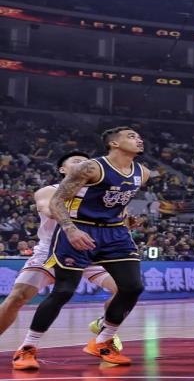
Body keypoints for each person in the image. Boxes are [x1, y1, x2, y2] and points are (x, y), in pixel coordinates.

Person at [12, 127, 150, 369]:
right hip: (80, 228)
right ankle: (27, 348)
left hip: (114, 233)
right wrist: (70, 229)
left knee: (132, 287)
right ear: (114, 143)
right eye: (131, 136)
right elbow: (57, 201)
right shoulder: (91, 168)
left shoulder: (143, 172)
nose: (138, 139)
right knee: (64, 291)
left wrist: (125, 218)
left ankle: (103, 341)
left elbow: (116, 202)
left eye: (138, 136)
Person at [0, 152, 121, 347]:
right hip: (51, 251)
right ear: (63, 170)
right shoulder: (49, 190)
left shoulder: (100, 195)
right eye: (77, 162)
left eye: (87, 163)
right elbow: (49, 209)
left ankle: (103, 324)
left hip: (89, 252)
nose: (84, 165)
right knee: (17, 297)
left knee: (126, 290)